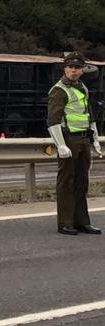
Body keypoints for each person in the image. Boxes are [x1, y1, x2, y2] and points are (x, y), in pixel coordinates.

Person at [47, 51, 102, 236]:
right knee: (66, 182)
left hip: (84, 139)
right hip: (69, 139)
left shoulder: (82, 88)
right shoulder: (59, 90)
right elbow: (53, 121)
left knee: (82, 181)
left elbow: (89, 114)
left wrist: (95, 138)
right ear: (65, 68)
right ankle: (65, 222)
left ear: (82, 70)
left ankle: (81, 221)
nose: (74, 71)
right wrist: (60, 145)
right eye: (71, 67)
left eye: (78, 68)